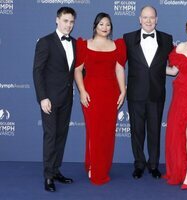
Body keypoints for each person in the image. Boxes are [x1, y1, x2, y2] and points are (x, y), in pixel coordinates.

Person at [75, 12, 126, 185]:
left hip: (110, 93)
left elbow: (119, 70)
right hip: (91, 93)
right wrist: (82, 91)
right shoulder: (84, 44)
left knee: (107, 133)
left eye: (108, 24)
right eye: (101, 24)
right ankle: (94, 169)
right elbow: (77, 70)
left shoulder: (117, 45)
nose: (105, 27)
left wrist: (123, 91)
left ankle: (100, 167)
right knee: (94, 132)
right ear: (95, 26)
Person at [123, 6, 173, 179]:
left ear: (157, 19)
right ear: (139, 19)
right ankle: (139, 164)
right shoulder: (128, 38)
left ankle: (153, 165)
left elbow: (175, 64)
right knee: (137, 132)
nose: (149, 20)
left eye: (152, 17)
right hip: (135, 94)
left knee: (155, 131)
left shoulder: (167, 39)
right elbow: (117, 64)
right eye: (145, 17)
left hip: (157, 93)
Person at [33, 7, 76, 192]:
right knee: (51, 136)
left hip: (67, 98)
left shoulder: (74, 43)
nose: (69, 25)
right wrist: (43, 97)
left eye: (72, 22)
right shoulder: (45, 42)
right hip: (49, 99)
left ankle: (56, 170)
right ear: (57, 20)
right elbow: (37, 71)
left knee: (61, 136)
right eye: (65, 21)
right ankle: (48, 176)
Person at [164, 15, 187, 189]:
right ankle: (184, 169)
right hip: (180, 94)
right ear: (186, 29)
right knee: (179, 133)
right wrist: (150, 66)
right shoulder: (181, 47)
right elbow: (173, 71)